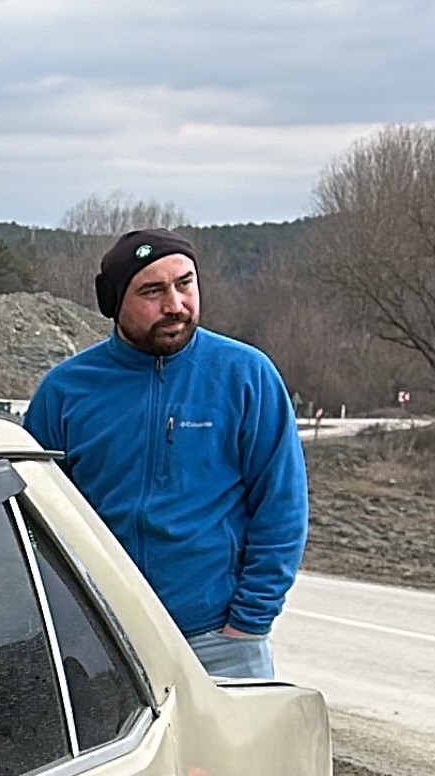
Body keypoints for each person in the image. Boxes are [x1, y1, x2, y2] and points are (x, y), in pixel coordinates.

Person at [23, 229, 308, 684]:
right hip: (98, 643)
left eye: (185, 283)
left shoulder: (246, 376)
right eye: (152, 291)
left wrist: (248, 623)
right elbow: (31, 517)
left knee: (220, 760)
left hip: (218, 643)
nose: (175, 304)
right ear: (116, 303)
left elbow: (282, 509)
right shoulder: (66, 392)